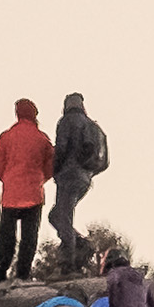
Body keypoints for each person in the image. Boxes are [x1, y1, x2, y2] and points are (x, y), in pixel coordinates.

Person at [0, 99, 53, 277]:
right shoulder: (42, 138)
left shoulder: (7, 136)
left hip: (11, 194)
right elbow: (51, 163)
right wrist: (41, 178)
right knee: (29, 237)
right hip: (34, 193)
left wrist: (7, 177)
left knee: (6, 234)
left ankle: (2, 269)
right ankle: (23, 273)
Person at [49, 92, 110, 267]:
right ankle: (81, 244)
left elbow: (60, 149)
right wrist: (88, 172)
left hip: (68, 176)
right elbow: (104, 162)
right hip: (85, 180)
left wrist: (54, 170)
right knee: (56, 216)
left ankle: (69, 263)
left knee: (62, 216)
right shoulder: (93, 127)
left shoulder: (67, 121)